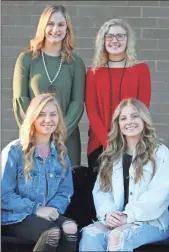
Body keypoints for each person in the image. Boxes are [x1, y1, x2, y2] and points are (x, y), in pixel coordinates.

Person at [79, 98, 169, 251]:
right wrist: (108, 215)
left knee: (118, 236)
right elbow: (101, 192)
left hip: (151, 222)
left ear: (144, 119)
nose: (129, 121)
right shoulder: (110, 155)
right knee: (90, 234)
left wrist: (128, 216)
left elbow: (158, 195)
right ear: (118, 124)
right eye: (123, 118)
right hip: (116, 221)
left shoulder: (160, 153)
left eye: (135, 116)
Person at [1, 93, 78, 252]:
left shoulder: (61, 152)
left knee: (71, 228)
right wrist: (36, 209)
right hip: (16, 217)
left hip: (47, 214)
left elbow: (65, 191)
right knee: (52, 232)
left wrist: (53, 209)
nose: (48, 119)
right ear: (32, 118)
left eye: (53, 114)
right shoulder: (15, 151)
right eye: (41, 115)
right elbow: (4, 195)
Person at [13, 5, 86, 168]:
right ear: (43, 26)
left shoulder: (76, 63)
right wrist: (37, 133)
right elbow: (20, 100)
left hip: (67, 140)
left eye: (61, 24)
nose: (55, 29)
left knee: (64, 190)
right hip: (34, 140)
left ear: (67, 29)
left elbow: (77, 104)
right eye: (50, 23)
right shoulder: (26, 59)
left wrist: (59, 132)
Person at [85, 18, 151, 176]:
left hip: (133, 142)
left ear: (128, 39)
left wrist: (126, 141)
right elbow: (92, 112)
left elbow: (142, 108)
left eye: (120, 36)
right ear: (103, 40)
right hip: (100, 144)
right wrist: (109, 143)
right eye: (109, 36)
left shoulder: (141, 69)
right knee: (102, 194)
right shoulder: (94, 72)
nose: (115, 40)